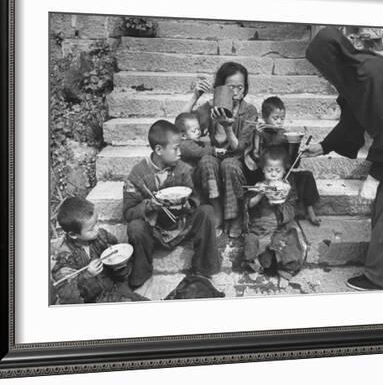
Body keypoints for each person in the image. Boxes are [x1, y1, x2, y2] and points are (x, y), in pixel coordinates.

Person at [304, 27, 383, 291]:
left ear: (332, 57)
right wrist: (324, 146)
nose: (319, 73)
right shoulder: (351, 78)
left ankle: (379, 279)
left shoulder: (372, 73)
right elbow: (350, 122)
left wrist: (375, 175)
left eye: (320, 66)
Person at [123, 120, 221, 289]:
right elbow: (128, 212)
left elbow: (195, 199)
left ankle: (203, 267)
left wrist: (186, 205)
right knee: (135, 227)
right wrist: (147, 206)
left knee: (207, 212)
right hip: (155, 231)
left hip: (181, 225)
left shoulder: (183, 169)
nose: (179, 152)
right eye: (175, 148)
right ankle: (142, 271)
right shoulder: (138, 174)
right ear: (159, 150)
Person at [184, 62, 258, 237]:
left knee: (229, 165)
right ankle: (217, 209)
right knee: (207, 161)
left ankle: (235, 215)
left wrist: (228, 128)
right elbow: (180, 124)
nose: (235, 92)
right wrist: (195, 96)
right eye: (230, 87)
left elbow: (239, 148)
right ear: (220, 87)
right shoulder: (211, 107)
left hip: (237, 162)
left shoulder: (249, 111)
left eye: (240, 87)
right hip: (214, 158)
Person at [51, 197, 146, 304]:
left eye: (97, 222)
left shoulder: (102, 236)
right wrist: (87, 275)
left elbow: (117, 253)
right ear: (73, 234)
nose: (97, 228)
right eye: (91, 229)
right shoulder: (65, 257)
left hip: (114, 287)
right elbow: (67, 294)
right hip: (93, 300)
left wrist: (119, 264)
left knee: (139, 301)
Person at [244, 96, 321, 225]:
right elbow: (255, 157)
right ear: (264, 117)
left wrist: (295, 146)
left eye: (282, 118)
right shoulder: (259, 133)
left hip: (284, 173)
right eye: (275, 118)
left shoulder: (285, 136)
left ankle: (310, 212)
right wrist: (257, 135)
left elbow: (294, 164)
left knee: (306, 176)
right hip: (265, 173)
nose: (279, 122)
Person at [243, 146, 306, 277]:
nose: (273, 174)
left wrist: (280, 201)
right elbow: (249, 205)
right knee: (250, 239)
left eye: (277, 171)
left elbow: (291, 210)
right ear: (263, 170)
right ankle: (253, 261)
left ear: (284, 171)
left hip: (279, 227)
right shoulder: (259, 185)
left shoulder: (286, 188)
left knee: (290, 237)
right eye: (269, 170)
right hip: (259, 228)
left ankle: (286, 267)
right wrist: (260, 194)